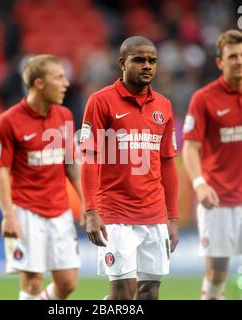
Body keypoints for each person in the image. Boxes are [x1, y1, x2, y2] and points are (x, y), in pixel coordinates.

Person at [80, 36, 179, 300]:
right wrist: (90, 210)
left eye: (152, 61)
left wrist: (173, 217)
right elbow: (89, 157)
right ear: (122, 63)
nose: (147, 66)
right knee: (123, 294)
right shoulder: (100, 101)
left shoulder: (164, 106)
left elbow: (168, 162)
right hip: (116, 213)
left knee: (149, 294)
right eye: (139, 60)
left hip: (155, 214)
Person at [182, 29, 242, 300]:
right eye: (232, 56)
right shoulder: (203, 98)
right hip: (218, 200)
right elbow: (190, 147)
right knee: (216, 275)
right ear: (220, 62)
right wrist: (199, 184)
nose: (239, 60)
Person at [0, 54, 82, 300]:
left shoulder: (65, 115)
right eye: (59, 77)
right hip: (26, 211)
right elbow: (1, 171)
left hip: (60, 210)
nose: (66, 83)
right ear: (39, 83)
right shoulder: (8, 121)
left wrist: (87, 203)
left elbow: (72, 164)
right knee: (32, 281)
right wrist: (8, 215)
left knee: (68, 283)